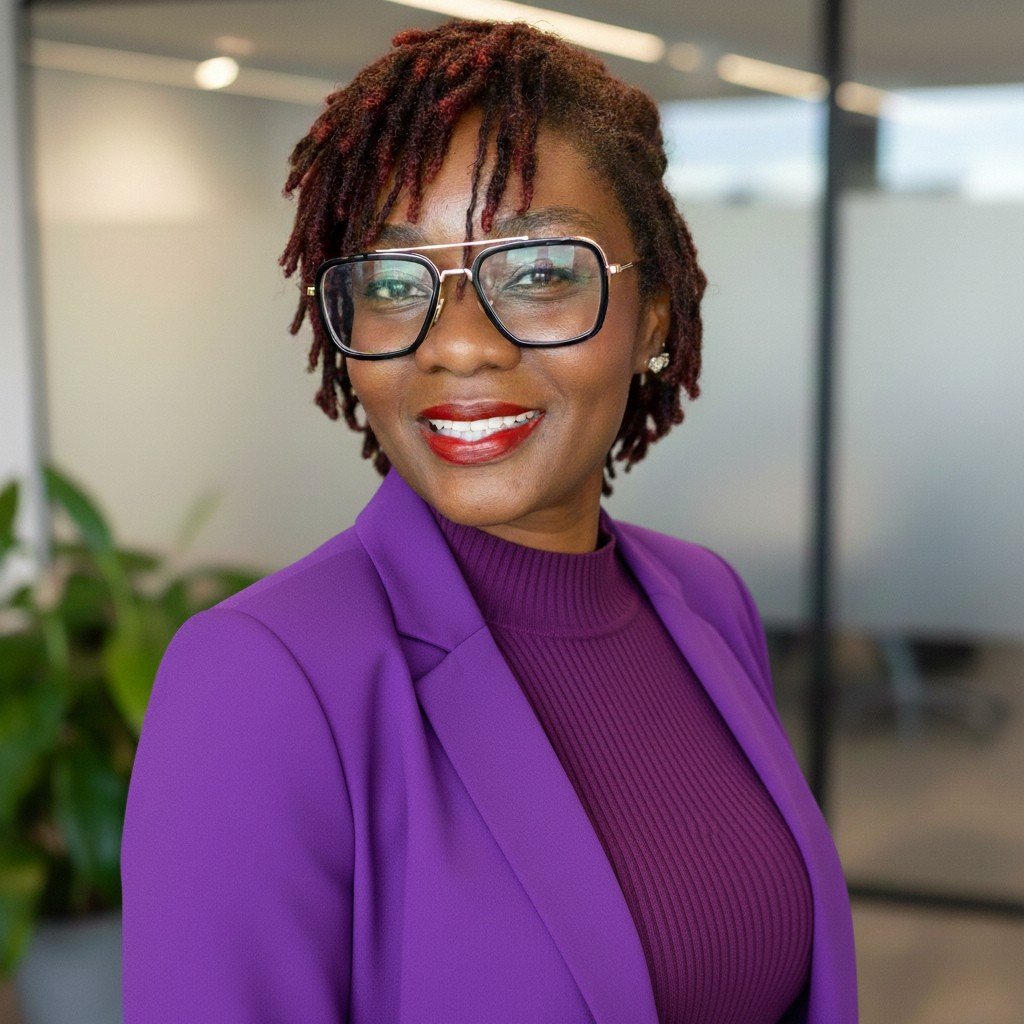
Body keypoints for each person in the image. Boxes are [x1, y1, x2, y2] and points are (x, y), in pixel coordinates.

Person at [120, 19, 857, 1024]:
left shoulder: (703, 599)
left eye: (541, 271)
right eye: (391, 281)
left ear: (653, 317)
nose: (457, 344)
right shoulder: (261, 677)